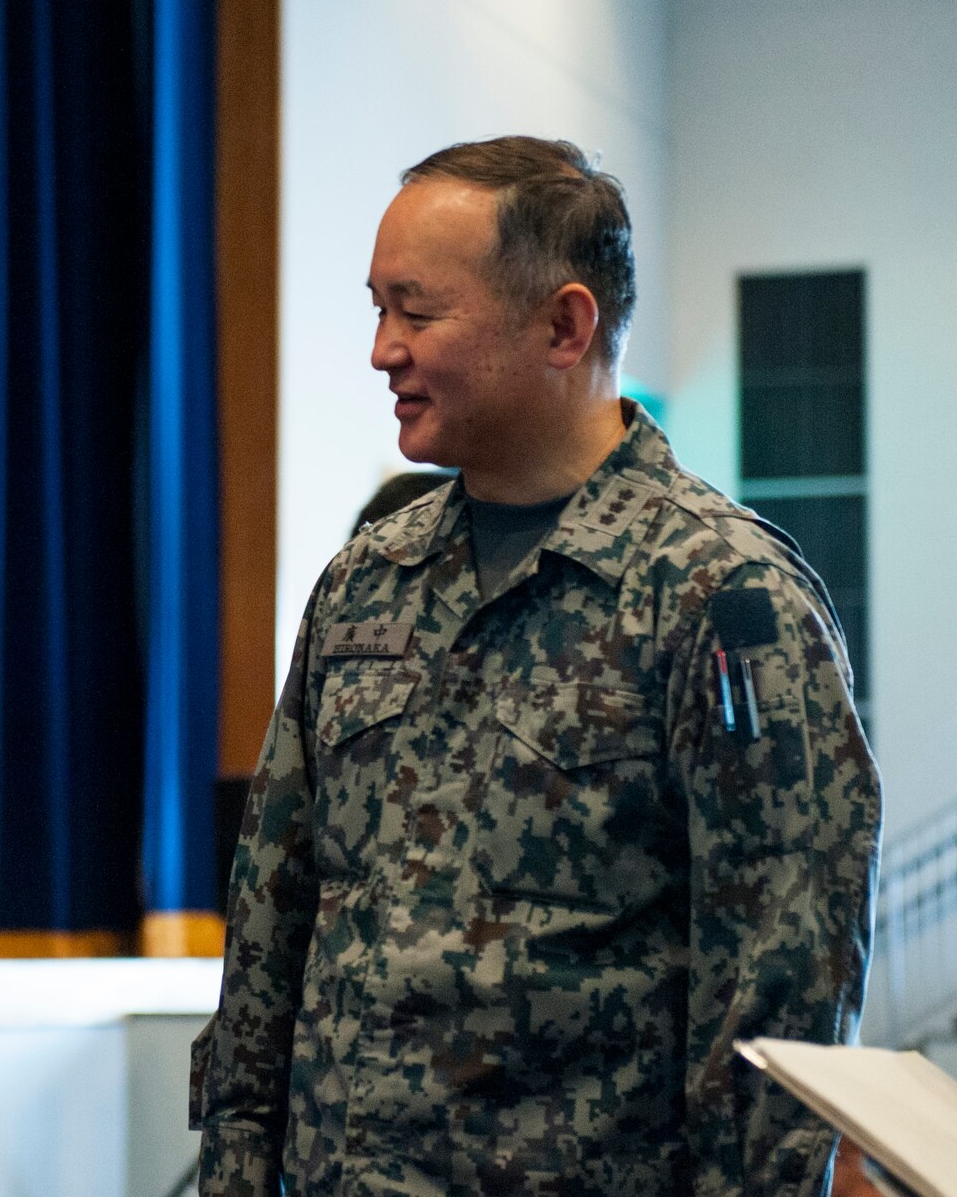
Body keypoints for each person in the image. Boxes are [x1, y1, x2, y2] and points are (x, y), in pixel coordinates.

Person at [190, 137, 879, 1195]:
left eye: (417, 313)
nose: (381, 350)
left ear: (564, 326)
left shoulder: (721, 599)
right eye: (377, 309)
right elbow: (268, 931)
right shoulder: (365, 584)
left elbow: (775, 1015)